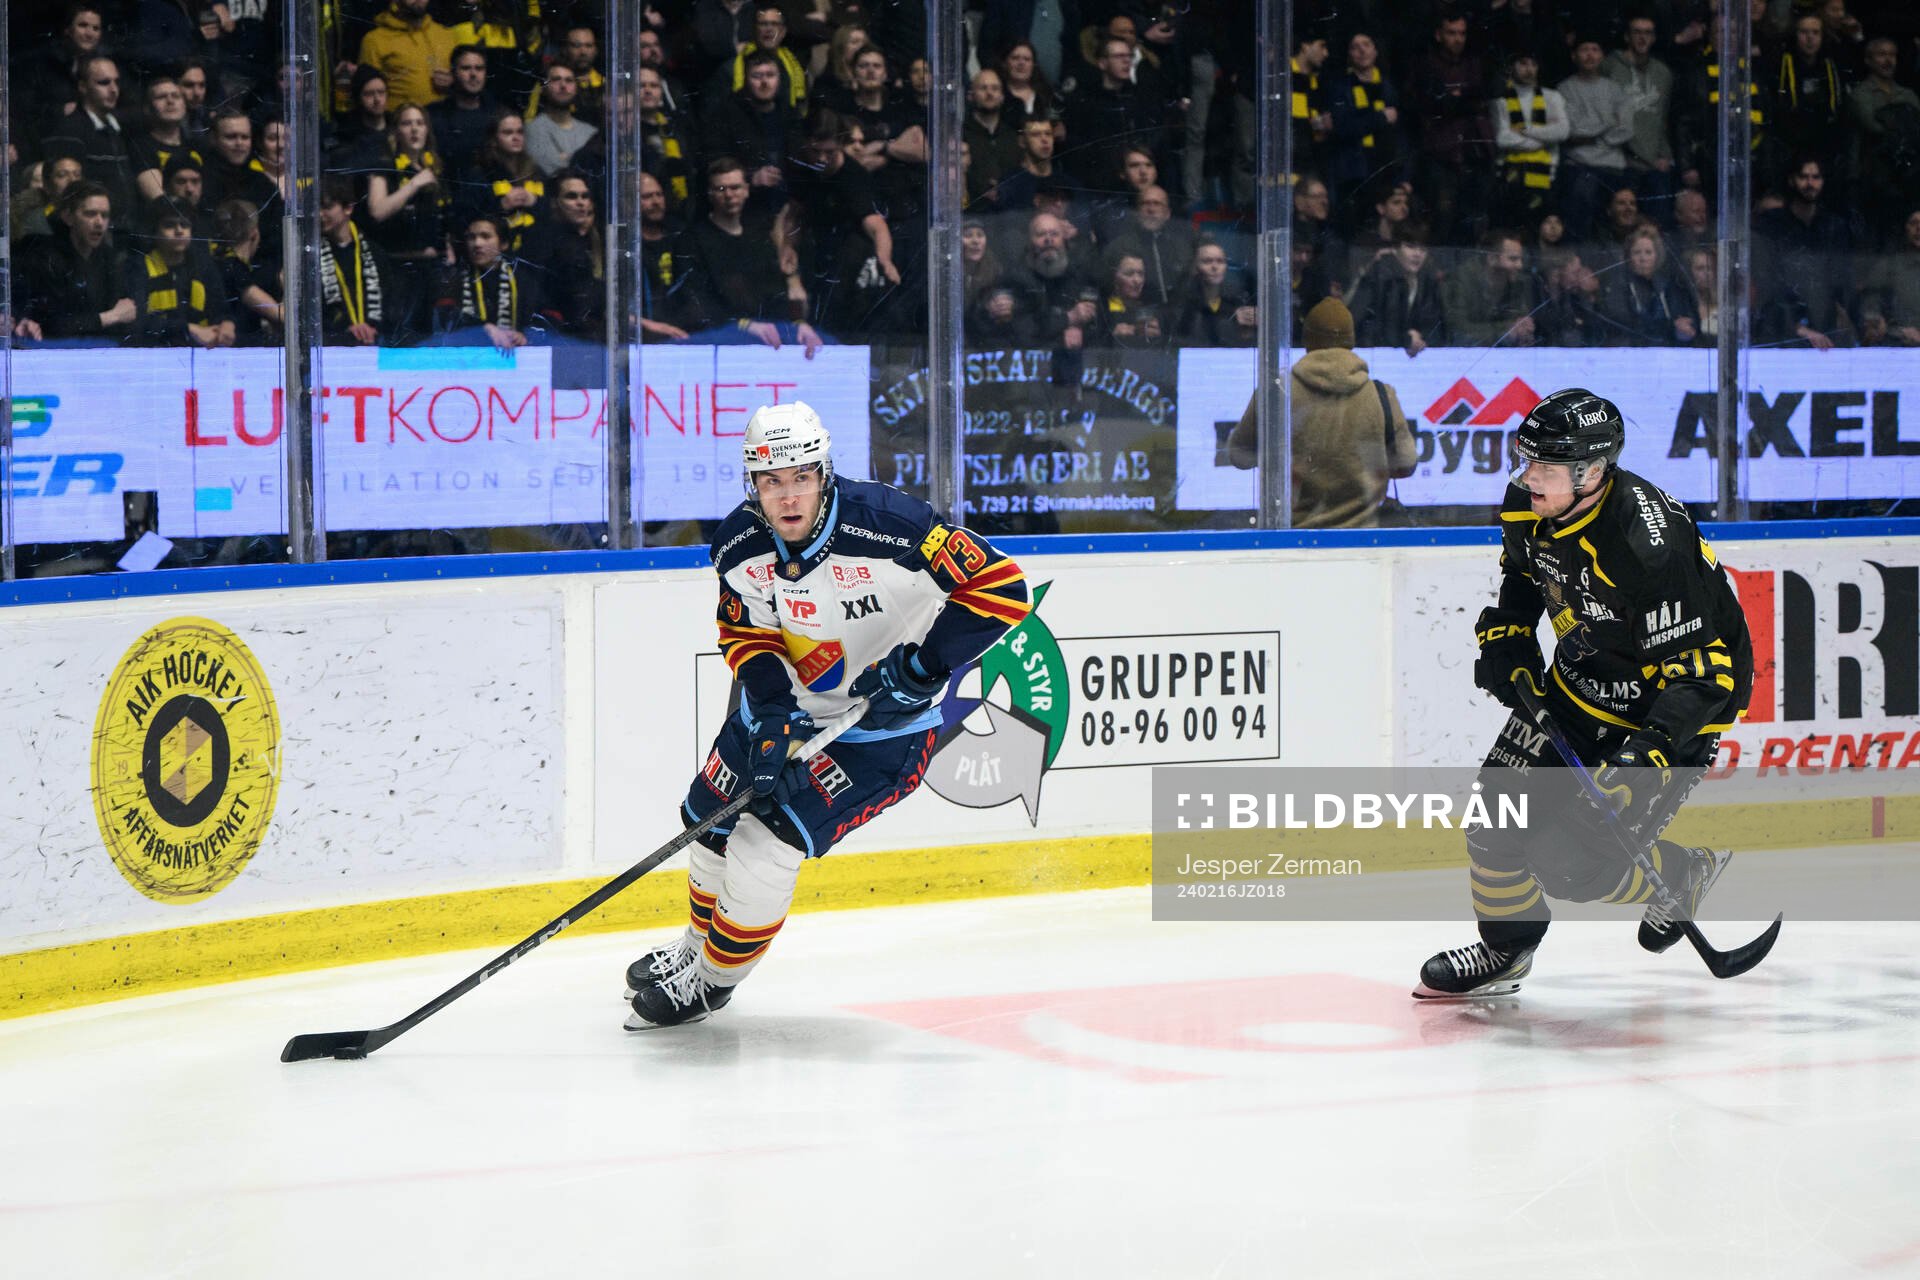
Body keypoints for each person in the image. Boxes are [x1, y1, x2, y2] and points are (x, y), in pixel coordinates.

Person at [622, 402, 1030, 1028]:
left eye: (802, 478)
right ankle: (693, 948)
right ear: (752, 485)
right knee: (707, 827)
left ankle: (710, 982)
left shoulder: (891, 526)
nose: (788, 497)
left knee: (762, 847)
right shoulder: (739, 544)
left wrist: (921, 669)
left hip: (880, 735)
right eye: (771, 481)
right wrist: (772, 712)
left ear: (825, 474)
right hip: (784, 711)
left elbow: (1002, 589)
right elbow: (746, 633)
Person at [1416, 388, 1754, 998]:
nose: (1528, 477)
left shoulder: (1647, 547)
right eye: (1527, 461)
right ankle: (1506, 949)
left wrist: (1644, 757)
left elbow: (1703, 675)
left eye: (1544, 467)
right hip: (1581, 682)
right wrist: (1510, 636)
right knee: (1493, 815)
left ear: (1592, 471)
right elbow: (1524, 570)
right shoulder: (1532, 499)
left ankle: (1679, 870)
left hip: (1667, 706)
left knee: (1572, 867)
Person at [1225, 298, 1416, 529]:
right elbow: (1406, 462)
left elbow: (1238, 455)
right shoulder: (1380, 394)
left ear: (1308, 341)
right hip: (1365, 537)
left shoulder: (1275, 393)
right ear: (1351, 340)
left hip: (1290, 538)